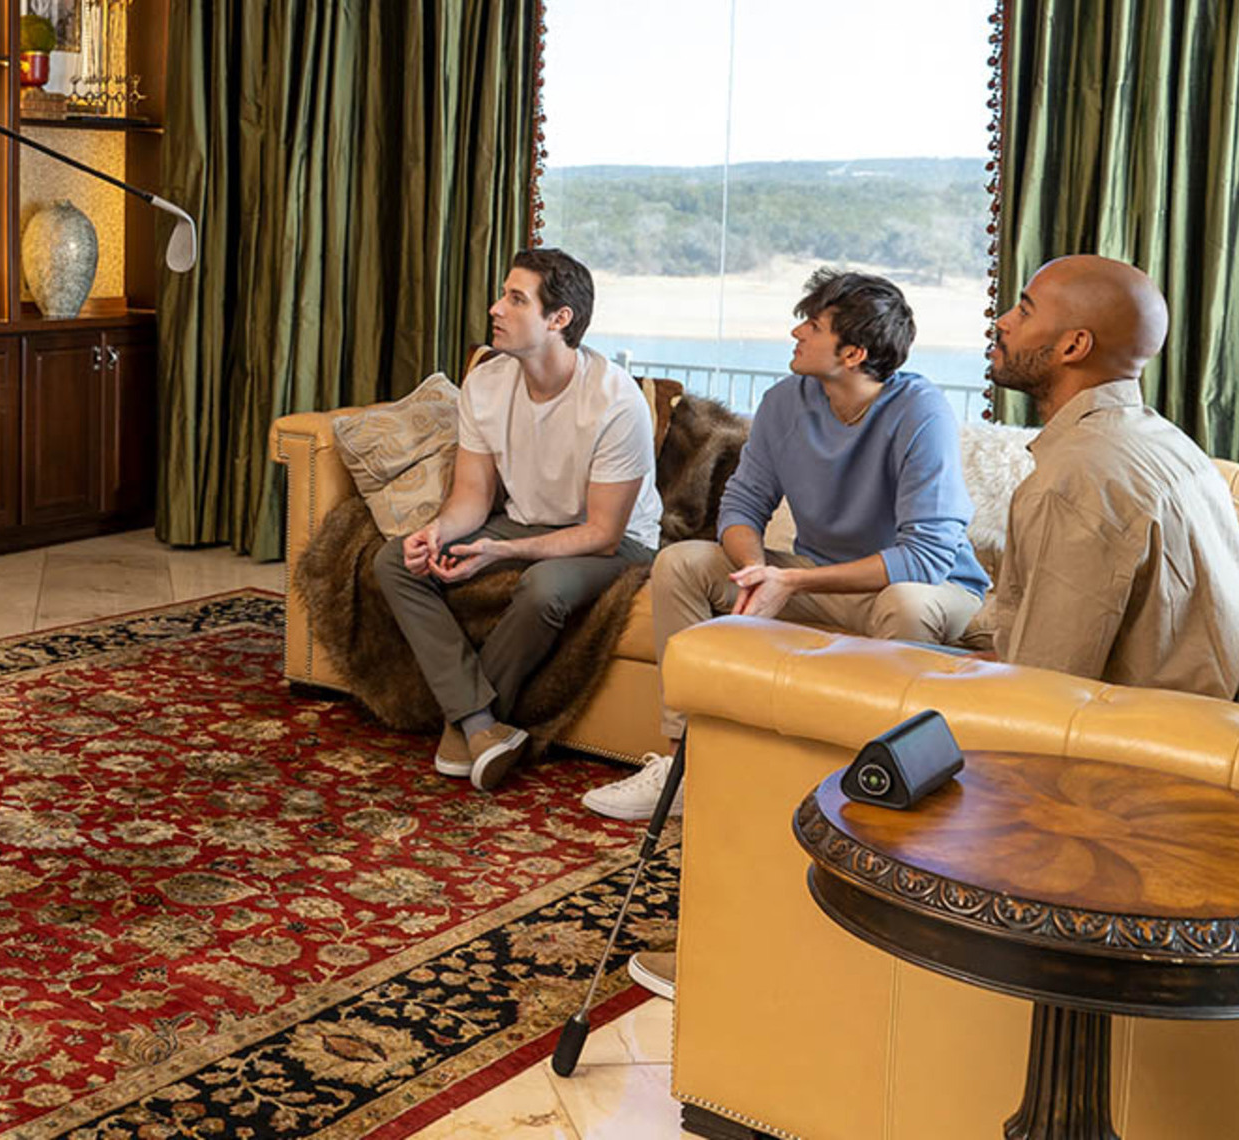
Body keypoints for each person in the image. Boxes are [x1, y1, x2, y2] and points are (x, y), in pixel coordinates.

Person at [584, 269, 988, 829]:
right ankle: (684, 763)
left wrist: (790, 583)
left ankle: (869, 784)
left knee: (907, 604)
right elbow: (742, 506)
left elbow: (924, 558)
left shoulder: (920, 411)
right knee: (680, 562)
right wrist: (756, 571)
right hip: (821, 577)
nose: (796, 332)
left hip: (934, 588)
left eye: (814, 325)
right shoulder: (784, 401)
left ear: (853, 352)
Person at [373, 248, 662, 792]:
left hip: (616, 543)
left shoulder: (615, 402)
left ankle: (464, 721)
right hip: (524, 523)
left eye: (515, 298)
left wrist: (500, 552)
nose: (494, 308)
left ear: (559, 320)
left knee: (543, 587)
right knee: (393, 560)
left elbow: (601, 534)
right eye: (502, 294)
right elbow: (472, 499)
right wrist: (437, 533)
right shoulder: (486, 383)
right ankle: (481, 725)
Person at [975, 254, 1239, 695]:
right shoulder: (1169, 443)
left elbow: (1045, 691)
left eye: (1024, 310)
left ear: (1073, 347)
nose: (1002, 322)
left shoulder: (1075, 480)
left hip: (1140, 743)